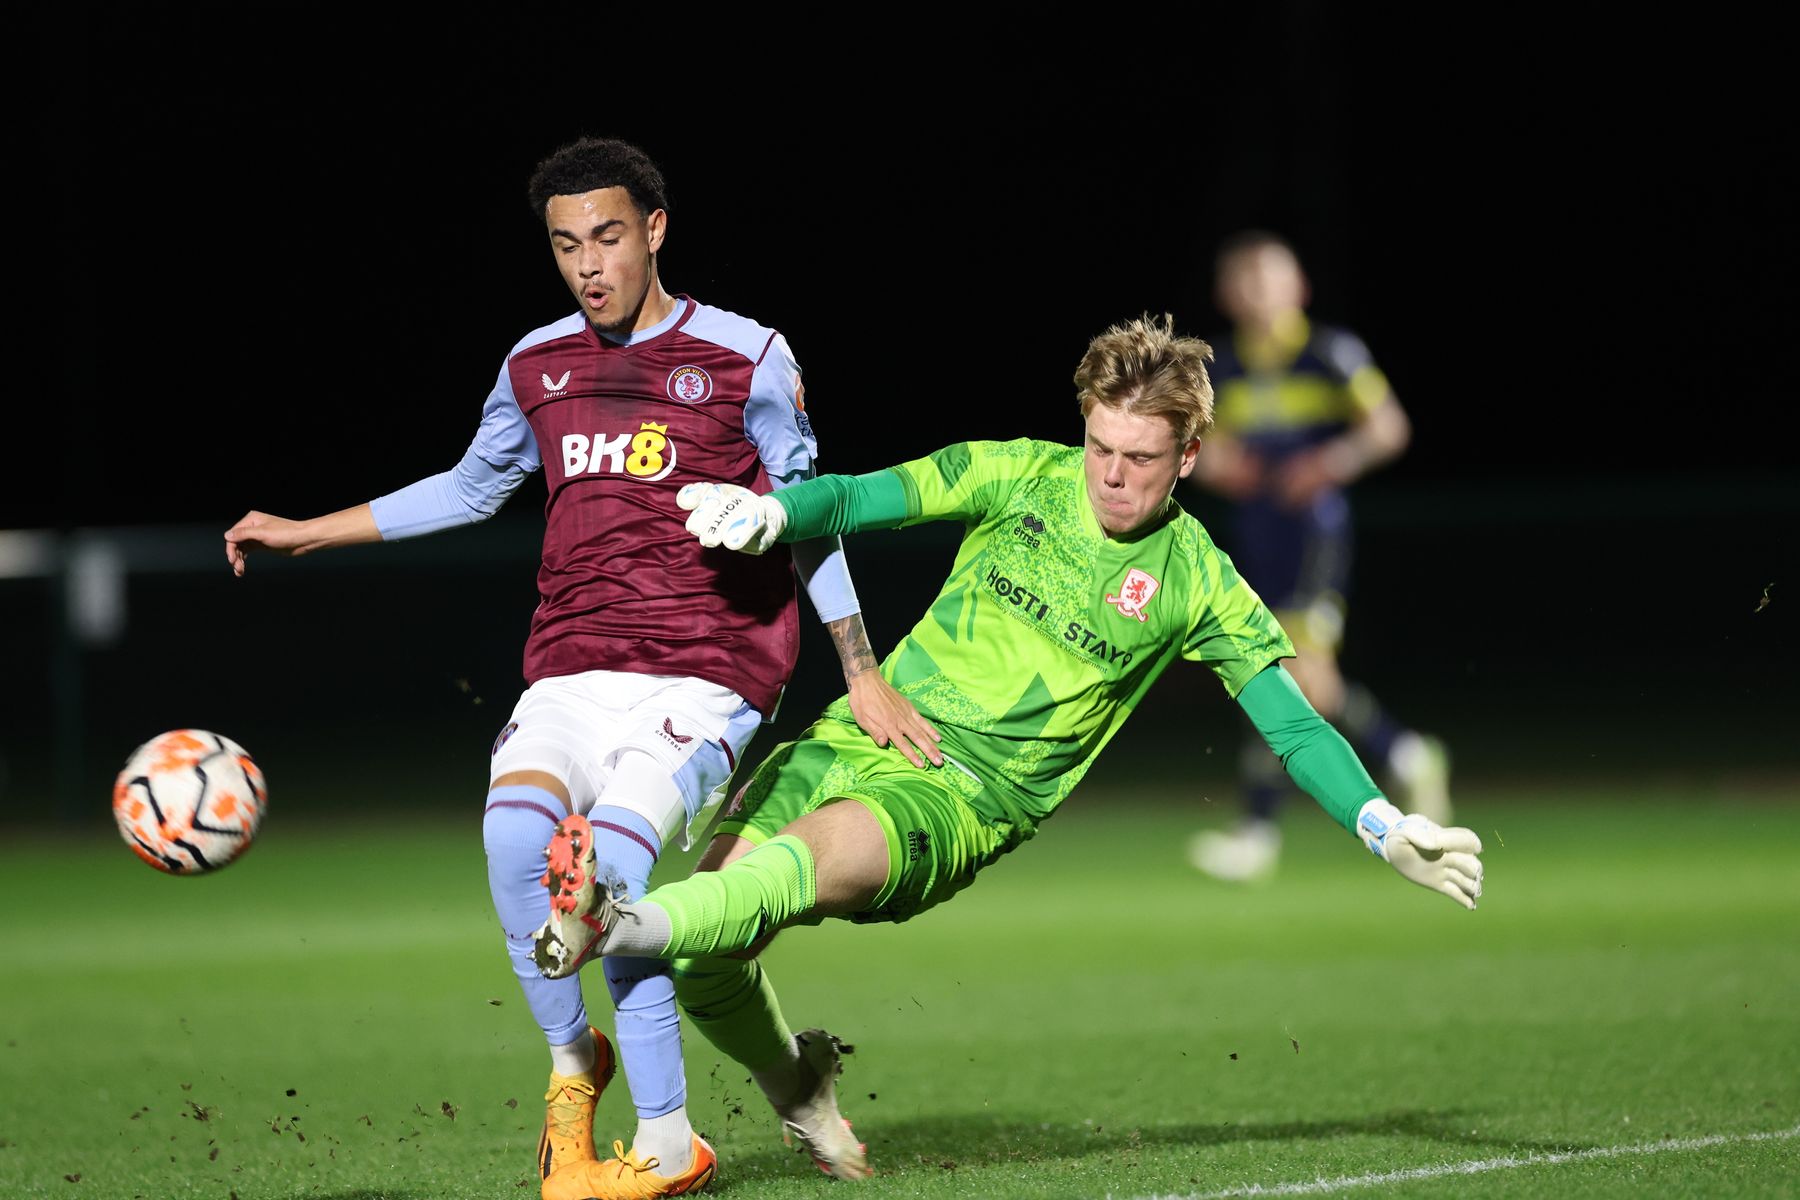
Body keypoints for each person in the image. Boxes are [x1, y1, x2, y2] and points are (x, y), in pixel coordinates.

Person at [526, 313, 1486, 1181]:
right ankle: (797, 1085)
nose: (1110, 473)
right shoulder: (1022, 471)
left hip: (963, 797)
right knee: (708, 956)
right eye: (1100, 446)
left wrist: (1382, 822)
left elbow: (1293, 724)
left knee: (798, 864)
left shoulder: (1199, 581)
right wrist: (777, 514)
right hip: (862, 732)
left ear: (1190, 457)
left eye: (1140, 458)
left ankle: (611, 922)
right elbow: (860, 499)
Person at [222, 135, 940, 1200]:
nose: (589, 264)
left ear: (654, 231)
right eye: (566, 246)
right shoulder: (535, 365)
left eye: (607, 237)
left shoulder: (749, 357)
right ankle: (574, 1067)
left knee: (606, 878)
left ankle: (667, 1142)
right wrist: (305, 532)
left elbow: (810, 516)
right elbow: (472, 488)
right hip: (570, 667)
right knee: (514, 837)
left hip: (705, 674)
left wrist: (861, 667)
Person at [1185, 230, 1453, 884]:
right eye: (1245, 280)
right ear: (1227, 293)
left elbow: (1388, 427)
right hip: (1254, 538)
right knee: (1298, 678)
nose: (1258, 292)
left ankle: (1258, 831)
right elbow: (1195, 449)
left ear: (1297, 287)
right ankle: (1409, 754)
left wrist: (1329, 462)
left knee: (1276, 671)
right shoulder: (1218, 367)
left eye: (1270, 278)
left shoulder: (1330, 353)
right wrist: (1225, 468)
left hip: (1313, 538)